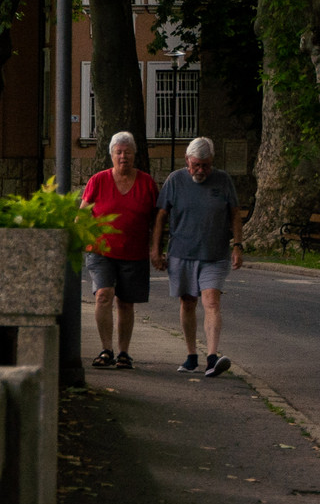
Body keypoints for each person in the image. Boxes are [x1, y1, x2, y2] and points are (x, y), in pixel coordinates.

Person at [150, 136, 243, 377]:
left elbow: (234, 213)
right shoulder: (175, 180)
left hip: (214, 253)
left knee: (211, 301)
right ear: (187, 161)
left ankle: (212, 358)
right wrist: (156, 249)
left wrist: (238, 245)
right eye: (196, 165)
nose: (201, 170)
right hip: (182, 253)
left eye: (206, 165)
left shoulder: (223, 181)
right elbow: (161, 215)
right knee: (188, 302)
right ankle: (191, 356)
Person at [80, 131, 158, 368]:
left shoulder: (146, 183)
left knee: (125, 303)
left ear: (135, 155)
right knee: (104, 295)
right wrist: (78, 238)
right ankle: (106, 350)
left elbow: (157, 219)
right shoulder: (98, 180)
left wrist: (155, 248)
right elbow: (82, 213)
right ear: (111, 155)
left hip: (133, 252)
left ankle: (124, 353)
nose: (123, 157)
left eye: (128, 152)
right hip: (101, 250)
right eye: (119, 152)